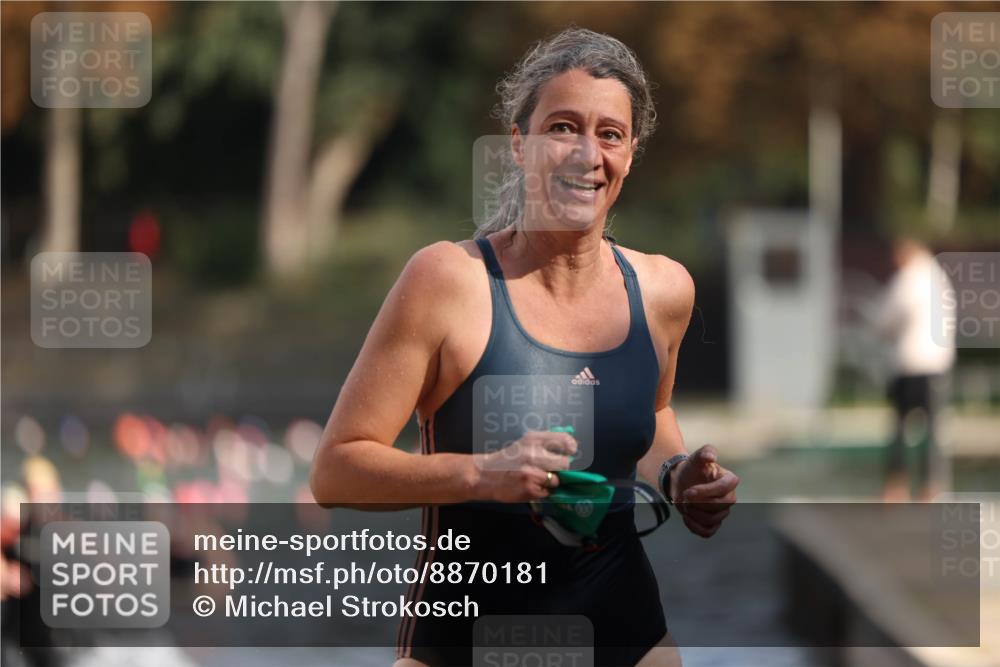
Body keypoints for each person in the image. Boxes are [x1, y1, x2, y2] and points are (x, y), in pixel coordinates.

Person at [310, 27, 739, 666]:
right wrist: (481, 473)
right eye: (563, 127)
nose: (587, 153)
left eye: (610, 134)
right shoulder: (447, 282)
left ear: (629, 154)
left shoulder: (663, 290)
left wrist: (679, 476)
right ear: (519, 144)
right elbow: (336, 471)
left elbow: (650, 415)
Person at [876, 237, 956, 502]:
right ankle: (932, 488)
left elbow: (888, 319)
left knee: (900, 429)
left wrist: (884, 331)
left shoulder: (909, 278)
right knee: (933, 431)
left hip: (910, 364)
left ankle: (895, 489)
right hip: (939, 365)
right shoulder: (940, 279)